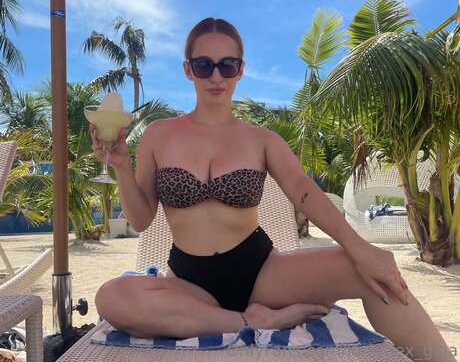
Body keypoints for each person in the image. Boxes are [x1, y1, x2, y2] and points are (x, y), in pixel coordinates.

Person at [91, 18, 455, 362]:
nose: (216, 76)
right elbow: (141, 220)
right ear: (188, 69)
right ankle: (251, 321)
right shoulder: (159, 135)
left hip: (263, 274)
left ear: (241, 69)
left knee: (375, 274)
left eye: (228, 65)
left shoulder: (261, 140)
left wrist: (360, 249)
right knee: (112, 297)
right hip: (189, 283)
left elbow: (304, 192)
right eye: (203, 65)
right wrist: (121, 166)